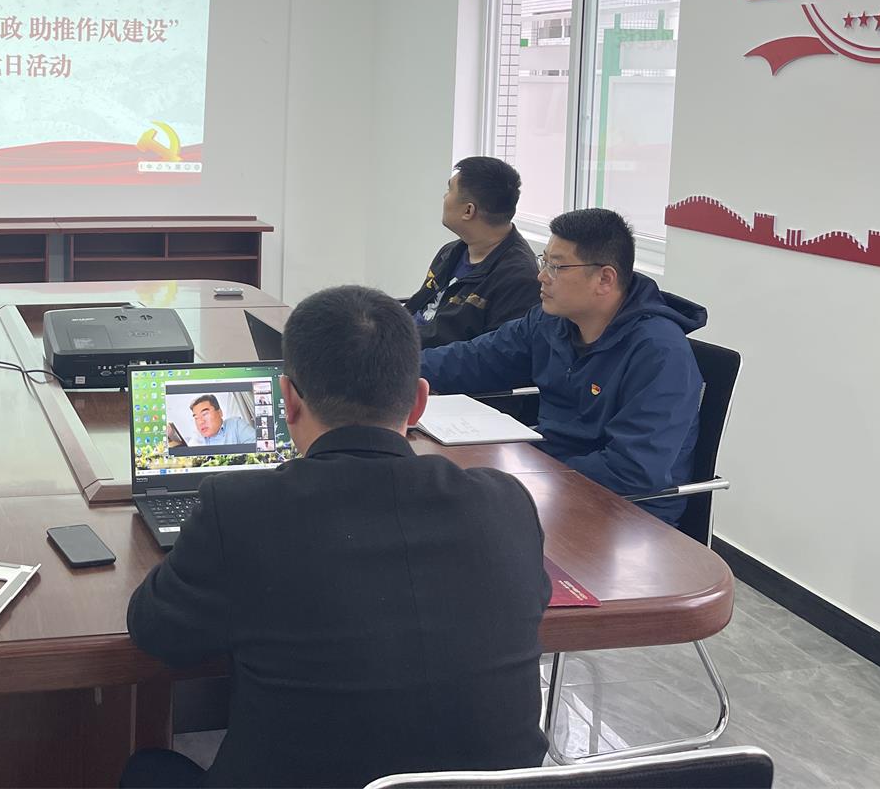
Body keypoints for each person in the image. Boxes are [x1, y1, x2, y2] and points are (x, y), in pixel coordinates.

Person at [125, 286, 549, 788]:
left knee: (144, 769)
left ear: (288, 400)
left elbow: (155, 632)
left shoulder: (239, 508)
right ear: (419, 402)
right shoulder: (506, 502)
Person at [421, 208, 706, 524]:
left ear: (605, 279)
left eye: (556, 267)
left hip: (629, 513)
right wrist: (401, 369)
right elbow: (475, 359)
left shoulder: (659, 352)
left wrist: (530, 477)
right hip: (552, 481)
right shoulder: (551, 322)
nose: (541, 276)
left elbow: (633, 470)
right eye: (544, 262)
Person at [404, 156, 540, 349]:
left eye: (449, 190)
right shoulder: (450, 252)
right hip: (404, 347)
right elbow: (418, 308)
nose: (444, 197)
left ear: (468, 211)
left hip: (425, 360)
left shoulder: (518, 278)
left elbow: (491, 356)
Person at [187, 394, 256, 445]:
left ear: (220, 412)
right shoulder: (196, 439)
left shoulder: (236, 424)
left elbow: (257, 445)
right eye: (196, 418)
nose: (200, 422)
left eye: (205, 414)